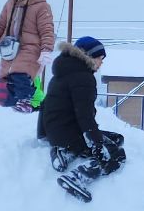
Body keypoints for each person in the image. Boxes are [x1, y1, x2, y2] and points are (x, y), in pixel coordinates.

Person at [38, 36, 126, 200]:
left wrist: (43, 134)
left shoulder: (62, 73)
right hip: (70, 132)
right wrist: (97, 144)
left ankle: (66, 153)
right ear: (90, 56)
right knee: (115, 154)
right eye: (100, 58)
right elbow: (84, 115)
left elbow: (45, 105)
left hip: (56, 131)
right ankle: (76, 178)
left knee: (116, 138)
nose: (101, 62)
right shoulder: (84, 78)